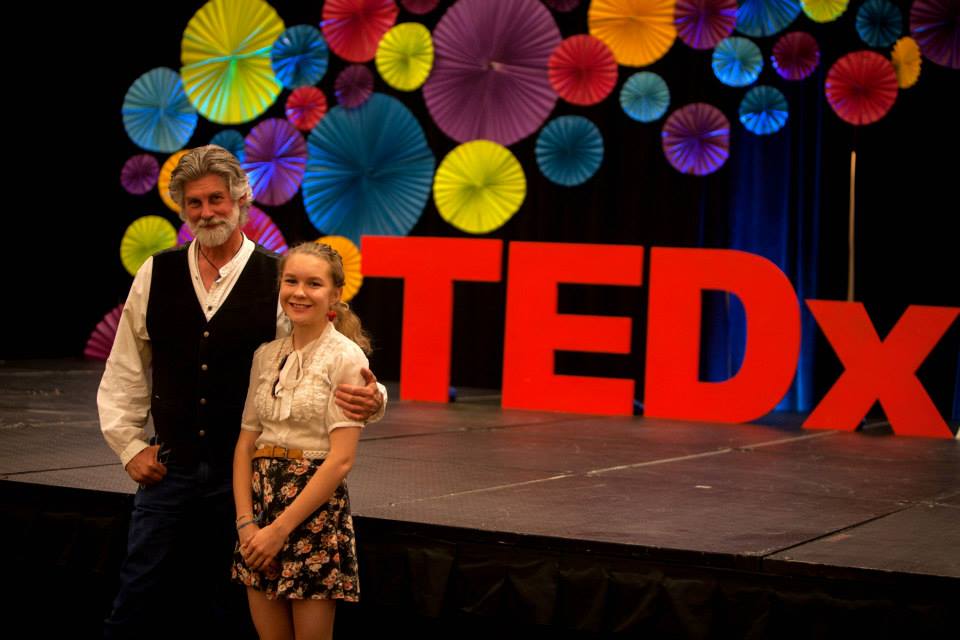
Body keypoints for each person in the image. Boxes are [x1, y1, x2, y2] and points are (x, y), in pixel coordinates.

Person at [97, 145, 386, 639]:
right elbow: (125, 366)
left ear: (242, 199)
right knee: (138, 596)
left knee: (230, 608)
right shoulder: (156, 272)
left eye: (217, 199)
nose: (206, 212)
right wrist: (127, 446)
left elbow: (322, 352)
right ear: (182, 209)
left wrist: (375, 395)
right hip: (171, 466)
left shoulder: (279, 277)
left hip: (248, 479)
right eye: (194, 203)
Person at [232, 241, 371, 640]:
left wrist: (280, 530)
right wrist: (247, 524)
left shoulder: (346, 357)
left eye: (313, 283)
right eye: (291, 281)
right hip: (259, 508)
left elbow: (341, 460)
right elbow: (245, 445)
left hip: (311, 511)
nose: (299, 292)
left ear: (334, 294)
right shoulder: (266, 355)